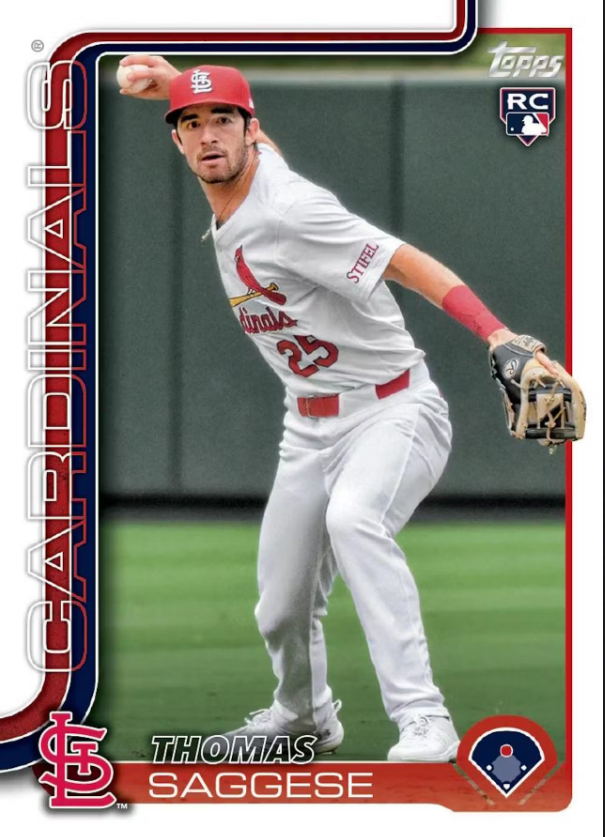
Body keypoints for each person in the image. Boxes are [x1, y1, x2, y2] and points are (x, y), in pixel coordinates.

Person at [118, 55, 562, 763]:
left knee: (354, 519)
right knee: (280, 605)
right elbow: (236, 144)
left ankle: (424, 719)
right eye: (191, 124)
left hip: (393, 410)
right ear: (176, 139)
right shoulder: (245, 174)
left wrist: (498, 335)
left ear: (250, 128)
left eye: (223, 120)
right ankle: (303, 716)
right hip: (306, 425)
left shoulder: (292, 210)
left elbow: (404, 261)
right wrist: (179, 83)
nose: (208, 135)